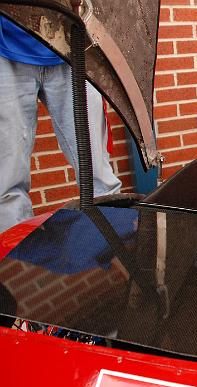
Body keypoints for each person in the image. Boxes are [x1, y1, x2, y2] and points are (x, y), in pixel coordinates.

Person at [0, 16, 121, 233]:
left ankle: (114, 251)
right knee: (6, 186)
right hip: (5, 46)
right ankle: (16, 262)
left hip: (72, 44)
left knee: (99, 175)